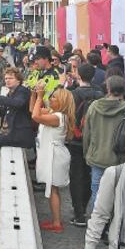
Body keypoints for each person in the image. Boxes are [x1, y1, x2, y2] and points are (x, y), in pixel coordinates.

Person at [83, 76, 125, 215]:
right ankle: (113, 225)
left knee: (97, 191)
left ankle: (97, 225)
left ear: (108, 89)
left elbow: (87, 134)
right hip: (121, 160)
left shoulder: (94, 106)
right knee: (119, 194)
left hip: (97, 157)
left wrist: (87, 154)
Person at [32, 86, 75, 232]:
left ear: (62, 101)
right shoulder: (54, 113)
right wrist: (34, 95)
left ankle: (57, 223)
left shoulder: (57, 117)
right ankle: (55, 221)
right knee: (51, 188)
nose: (50, 99)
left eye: (54, 97)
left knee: (53, 188)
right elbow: (33, 110)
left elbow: (35, 117)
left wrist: (39, 97)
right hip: (52, 154)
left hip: (55, 156)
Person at [69, 63, 104, 227]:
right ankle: (85, 205)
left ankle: (79, 213)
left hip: (75, 140)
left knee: (76, 175)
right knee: (90, 174)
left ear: (79, 75)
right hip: (94, 140)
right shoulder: (100, 94)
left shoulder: (73, 94)